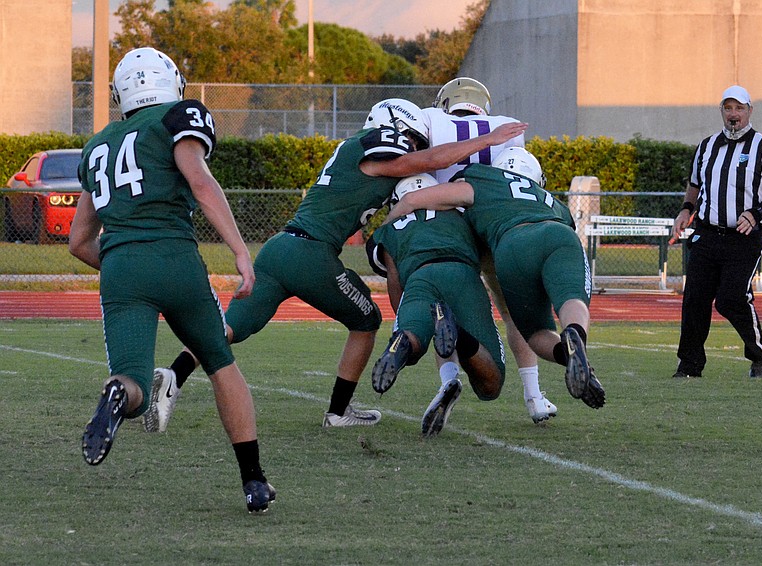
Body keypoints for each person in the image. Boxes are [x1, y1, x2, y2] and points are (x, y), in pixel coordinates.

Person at [143, 98, 527, 432]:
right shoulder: (379, 144)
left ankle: (174, 374)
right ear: (398, 129)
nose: (412, 150)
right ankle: (338, 412)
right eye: (412, 139)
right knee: (367, 321)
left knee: (228, 329)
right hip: (313, 254)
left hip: (280, 247)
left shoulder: (351, 148)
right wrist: (485, 141)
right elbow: (426, 160)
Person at [70, 47, 275, 513]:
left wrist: (127, 267)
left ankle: (119, 395)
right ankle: (254, 481)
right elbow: (200, 182)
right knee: (220, 360)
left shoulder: (99, 143)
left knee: (134, 384)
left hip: (120, 265)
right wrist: (242, 253)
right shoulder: (178, 116)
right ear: (171, 82)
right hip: (174, 256)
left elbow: (80, 242)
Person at [385, 147, 606, 410]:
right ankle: (575, 337)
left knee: (535, 334)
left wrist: (386, 230)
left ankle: (566, 355)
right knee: (572, 298)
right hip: (558, 234)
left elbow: (413, 200)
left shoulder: (483, 181)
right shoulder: (549, 198)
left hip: (510, 246)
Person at [422, 77, 556, 424]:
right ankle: (534, 396)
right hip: (494, 228)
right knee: (515, 313)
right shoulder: (506, 129)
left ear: (447, 101)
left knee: (444, 311)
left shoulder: (431, 120)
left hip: (449, 228)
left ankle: (448, 382)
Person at [367, 174, 507, 436]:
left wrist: (408, 324)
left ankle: (402, 345)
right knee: (491, 384)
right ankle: (457, 334)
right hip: (463, 275)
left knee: (411, 340)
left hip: (420, 277)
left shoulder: (390, 229)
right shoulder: (463, 217)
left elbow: (395, 284)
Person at [670, 85, 762, 379]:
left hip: (743, 237)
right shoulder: (707, 146)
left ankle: (759, 352)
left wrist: (758, 211)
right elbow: (695, 184)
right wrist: (686, 209)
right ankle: (689, 365)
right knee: (695, 299)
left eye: (739, 108)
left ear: (749, 111)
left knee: (731, 298)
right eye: (728, 108)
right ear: (721, 111)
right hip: (707, 234)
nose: (733, 114)